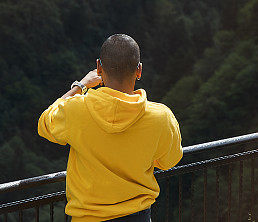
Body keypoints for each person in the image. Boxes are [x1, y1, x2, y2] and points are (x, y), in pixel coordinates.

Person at [37, 34, 183, 222]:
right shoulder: (161, 117)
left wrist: (80, 86)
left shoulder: (76, 110)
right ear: (139, 70)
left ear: (99, 67)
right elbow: (169, 161)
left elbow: (45, 123)